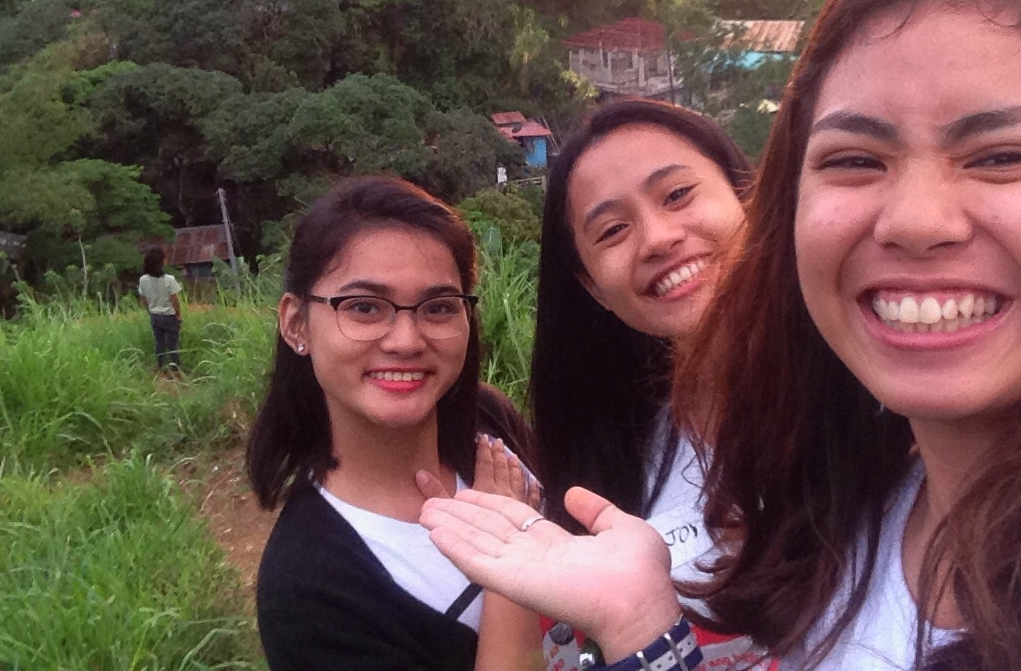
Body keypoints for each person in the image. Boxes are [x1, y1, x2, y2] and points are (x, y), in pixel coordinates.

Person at [418, 0, 1021, 670]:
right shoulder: (863, 527)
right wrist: (643, 623)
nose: (916, 221)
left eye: (1001, 156)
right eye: (855, 161)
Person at [246, 176, 541, 671]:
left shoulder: (488, 421)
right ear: (296, 323)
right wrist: (508, 549)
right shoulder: (308, 586)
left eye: (438, 307)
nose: (406, 340)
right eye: (364, 307)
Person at [527, 98, 758, 667]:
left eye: (677, 194)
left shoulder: (884, 414)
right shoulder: (603, 473)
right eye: (613, 230)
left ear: (749, 197)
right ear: (592, 288)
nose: (656, 238)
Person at [138, 246, 183, 372]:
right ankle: (175, 367)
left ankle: (161, 365)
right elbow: (175, 300)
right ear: (161, 262)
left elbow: (143, 299)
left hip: (154, 315)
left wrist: (149, 311)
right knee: (172, 343)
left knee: (159, 342)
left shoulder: (143, 280)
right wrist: (178, 314)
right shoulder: (169, 280)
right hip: (169, 315)